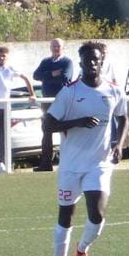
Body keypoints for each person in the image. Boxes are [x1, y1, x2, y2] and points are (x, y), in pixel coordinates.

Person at [42, 41, 128, 256]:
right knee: (65, 218)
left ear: (102, 61)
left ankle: (83, 249)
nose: (91, 63)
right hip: (70, 166)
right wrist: (78, 121)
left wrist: (119, 144)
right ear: (80, 62)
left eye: (96, 59)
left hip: (99, 164)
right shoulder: (69, 92)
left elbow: (123, 118)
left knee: (97, 214)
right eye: (87, 59)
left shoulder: (114, 91)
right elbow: (47, 125)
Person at [0, 47, 37, 170]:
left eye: (3, 56)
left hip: (5, 107)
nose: (1, 58)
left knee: (4, 135)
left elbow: (26, 78)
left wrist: (32, 94)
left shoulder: (11, 68)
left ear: (7, 56)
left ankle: (2, 162)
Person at [31, 39, 77, 171]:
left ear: (63, 48)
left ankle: (68, 163)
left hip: (62, 100)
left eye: (58, 46)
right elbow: (36, 75)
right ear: (50, 47)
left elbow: (65, 77)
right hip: (47, 102)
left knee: (66, 130)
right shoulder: (46, 62)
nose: (56, 48)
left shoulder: (67, 62)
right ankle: (46, 164)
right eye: (54, 46)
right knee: (46, 131)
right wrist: (52, 73)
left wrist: (46, 76)